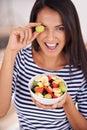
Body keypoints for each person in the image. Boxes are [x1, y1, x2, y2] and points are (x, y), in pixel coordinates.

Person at [0, 0, 87, 129]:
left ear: (70, 29)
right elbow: (1, 112)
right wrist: (10, 51)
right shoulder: (21, 58)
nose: (50, 38)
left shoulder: (79, 68)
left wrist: (67, 102)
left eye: (60, 28)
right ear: (34, 27)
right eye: (43, 27)